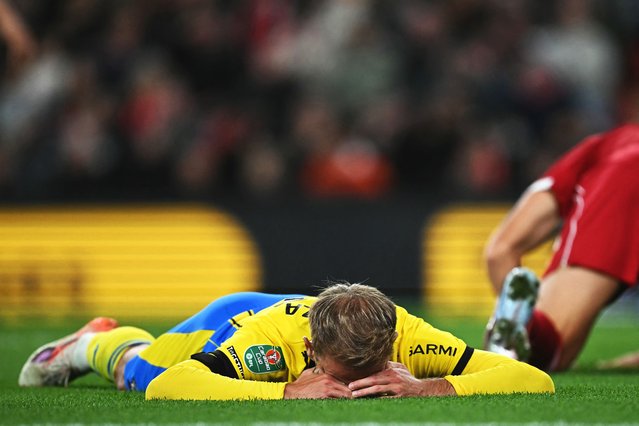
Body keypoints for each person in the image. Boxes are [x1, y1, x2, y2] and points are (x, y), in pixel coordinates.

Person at [20, 283, 555, 400]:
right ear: (312, 351)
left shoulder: (407, 333)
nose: (350, 388)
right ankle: (95, 343)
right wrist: (286, 394)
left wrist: (429, 388)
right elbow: (172, 389)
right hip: (230, 318)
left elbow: (535, 379)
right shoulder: (268, 343)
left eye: (369, 368)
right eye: (339, 372)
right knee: (142, 373)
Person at [484, 123, 639, 372]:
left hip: (621, 165)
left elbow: (498, 252)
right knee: (547, 355)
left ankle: (527, 330)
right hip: (627, 174)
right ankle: (527, 333)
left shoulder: (607, 146)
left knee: (550, 348)